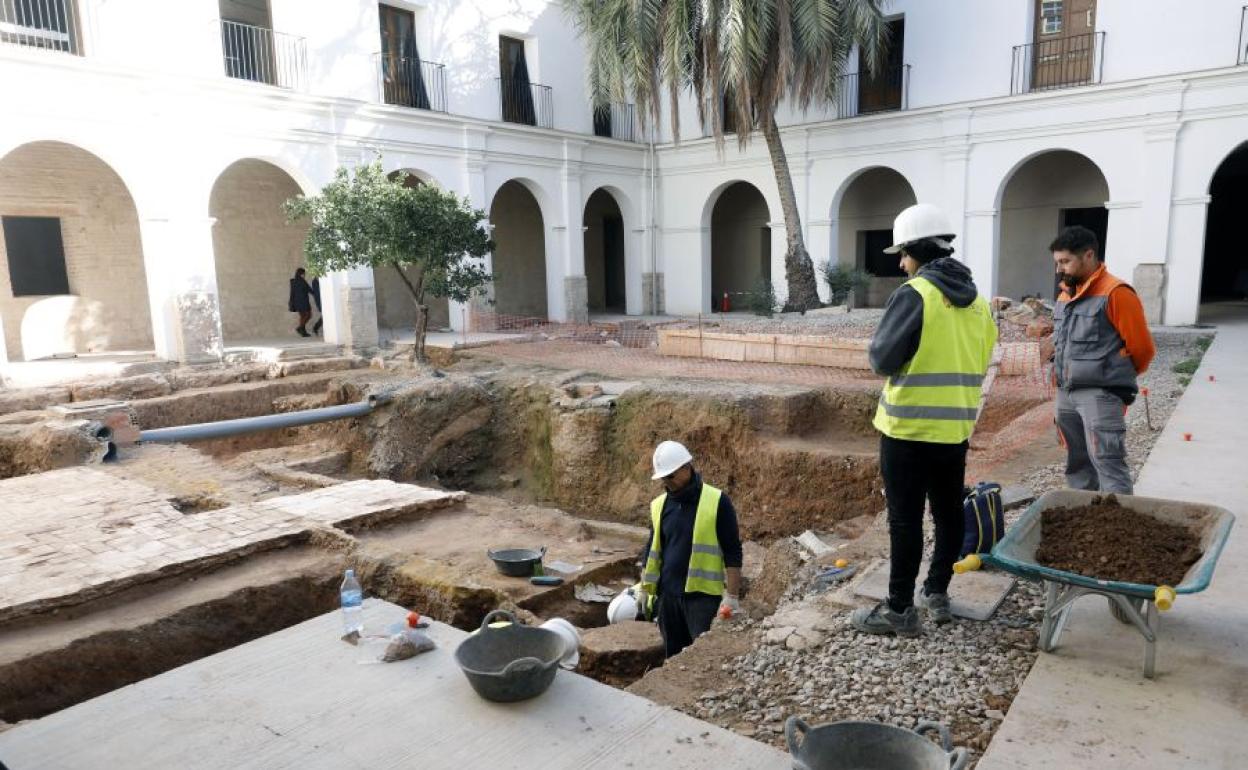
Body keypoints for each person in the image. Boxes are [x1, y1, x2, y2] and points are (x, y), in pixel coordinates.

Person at [851, 203, 998, 637]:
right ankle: (937, 592)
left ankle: (899, 610)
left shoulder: (916, 294)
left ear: (917, 250)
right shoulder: (979, 304)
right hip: (954, 430)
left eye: (903, 254)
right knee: (949, 515)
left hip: (907, 430)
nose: (901, 263)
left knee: (905, 521)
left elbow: (882, 358)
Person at [1044, 225, 1155, 494]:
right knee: (1077, 463)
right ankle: (1087, 523)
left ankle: (1118, 529)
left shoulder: (1117, 293)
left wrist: (1112, 380)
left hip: (1100, 394)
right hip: (1066, 393)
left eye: (1065, 261)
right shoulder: (1064, 294)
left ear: (1089, 255)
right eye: (1057, 262)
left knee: (1108, 462)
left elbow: (1142, 349)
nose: (1060, 269)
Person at [638, 440, 743, 658]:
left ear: (686, 467)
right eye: (663, 478)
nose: (666, 483)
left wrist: (732, 596)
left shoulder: (717, 501)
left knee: (700, 656)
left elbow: (732, 551)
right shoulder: (659, 505)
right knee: (674, 658)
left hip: (702, 599)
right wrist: (644, 588)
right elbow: (652, 548)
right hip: (668, 596)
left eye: (670, 476)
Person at [288, 267, 314, 337]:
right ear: (301, 274)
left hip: (297, 302)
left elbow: (292, 293)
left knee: (302, 317)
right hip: (304, 301)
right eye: (303, 273)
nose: (304, 275)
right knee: (308, 315)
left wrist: (291, 302)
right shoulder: (302, 281)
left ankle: (303, 332)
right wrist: (316, 293)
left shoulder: (293, 282)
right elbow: (310, 290)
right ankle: (300, 327)